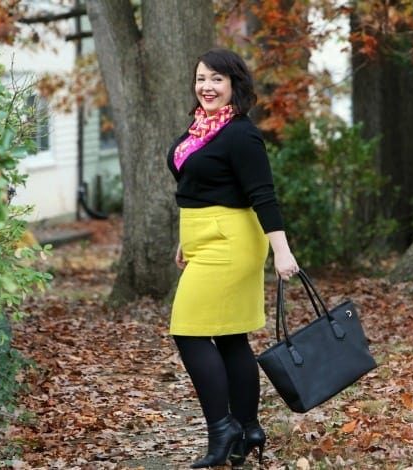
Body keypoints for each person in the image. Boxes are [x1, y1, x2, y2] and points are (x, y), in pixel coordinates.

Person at [166, 47, 299, 468]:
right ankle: (247, 426)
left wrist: (282, 251)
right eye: (202, 77)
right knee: (229, 336)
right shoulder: (199, 130)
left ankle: (221, 428)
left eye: (217, 79)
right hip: (205, 238)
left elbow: (263, 194)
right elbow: (197, 187)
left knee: (187, 330)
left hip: (233, 241)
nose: (207, 86)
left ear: (234, 86)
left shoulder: (240, 133)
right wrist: (187, 238)